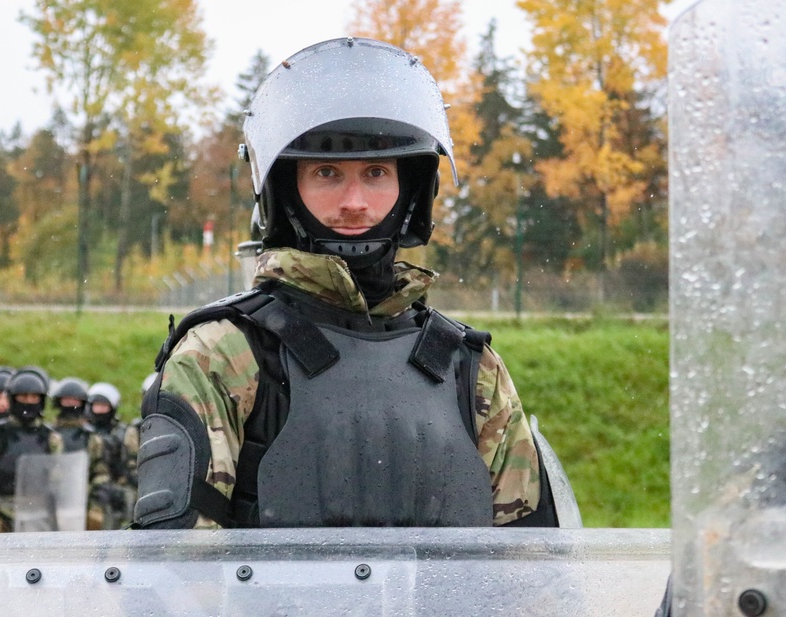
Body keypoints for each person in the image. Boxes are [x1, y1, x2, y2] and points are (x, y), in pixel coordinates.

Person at [135, 37, 567, 530]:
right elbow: (175, 578)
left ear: (412, 190)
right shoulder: (222, 355)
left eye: (377, 172)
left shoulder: (468, 367)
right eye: (326, 172)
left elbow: (529, 574)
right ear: (283, 190)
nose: (355, 201)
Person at [0, 366, 64, 533]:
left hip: (37, 512)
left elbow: (58, 481)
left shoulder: (52, 439)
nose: (28, 402)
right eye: (23, 397)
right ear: (13, 399)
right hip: (0, 509)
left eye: (33, 397)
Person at [51, 377, 113, 530]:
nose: (71, 405)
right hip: (52, 502)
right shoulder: (48, 436)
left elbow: (101, 472)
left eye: (75, 401)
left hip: (83, 502)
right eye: (67, 400)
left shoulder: (92, 439)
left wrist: (96, 501)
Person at [86, 381, 132, 529]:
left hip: (117, 485)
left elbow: (129, 462)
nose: (100, 410)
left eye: (104, 406)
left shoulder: (122, 433)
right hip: (89, 487)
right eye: (96, 406)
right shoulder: (84, 434)